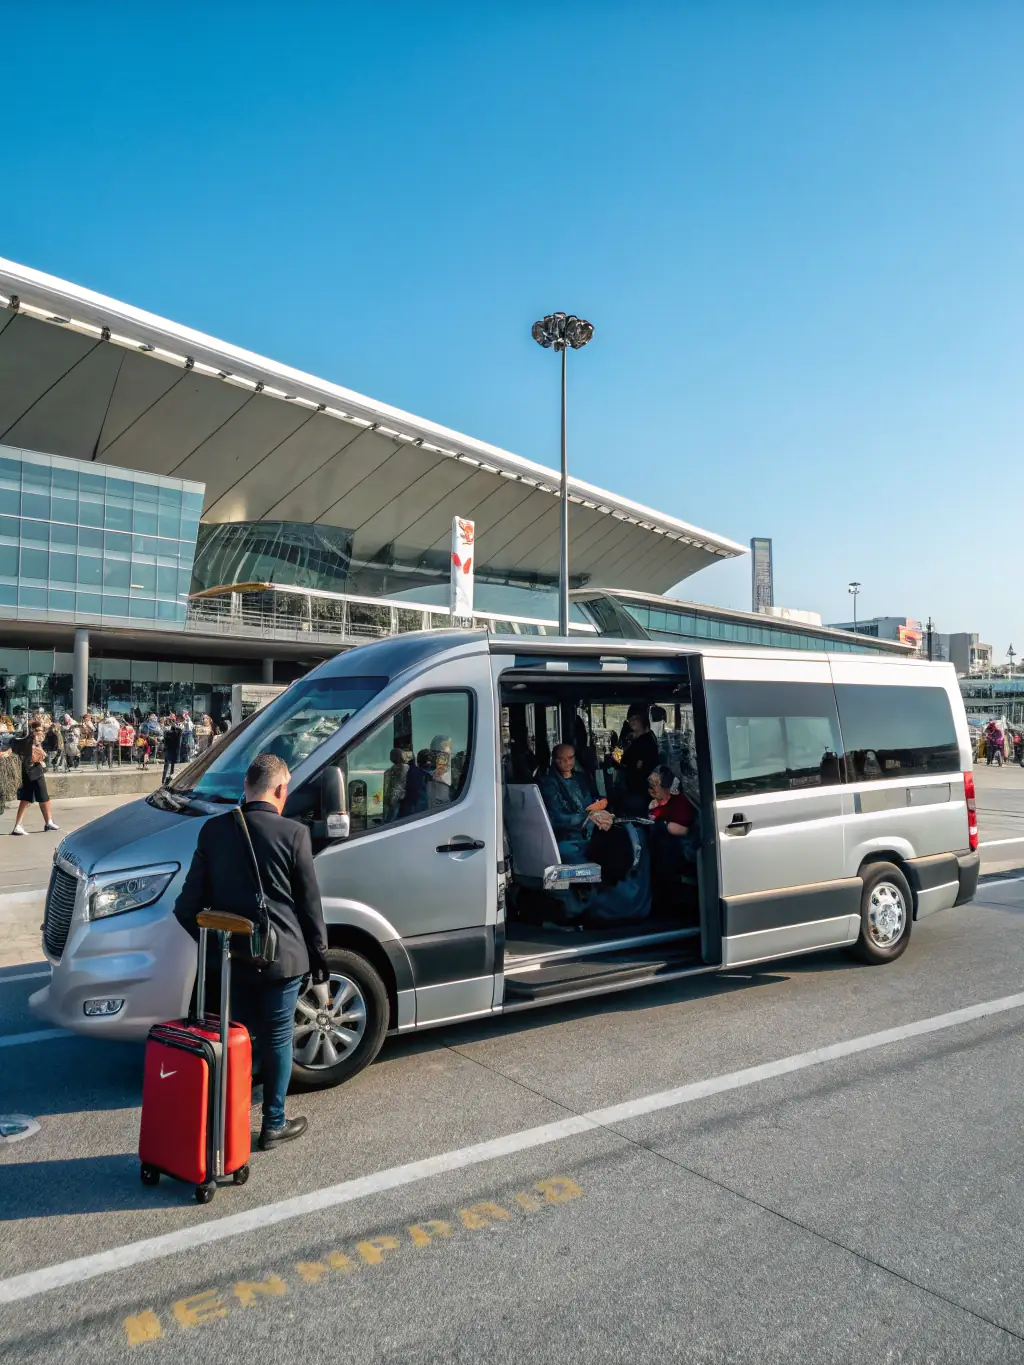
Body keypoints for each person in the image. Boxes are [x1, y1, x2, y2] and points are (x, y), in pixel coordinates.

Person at [173, 752, 329, 1149]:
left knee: (233, 1036)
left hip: (230, 961)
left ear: (245, 787)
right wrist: (318, 956)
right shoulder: (294, 834)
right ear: (280, 790)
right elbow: (310, 906)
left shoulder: (213, 831)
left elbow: (186, 907)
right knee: (278, 1037)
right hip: (282, 958)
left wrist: (218, 945)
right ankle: (272, 1123)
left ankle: (227, 1123)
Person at [538, 742, 613, 865]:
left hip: (590, 833)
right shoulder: (548, 783)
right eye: (562, 759)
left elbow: (594, 800)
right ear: (555, 760)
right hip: (566, 838)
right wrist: (588, 816)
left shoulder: (581, 778)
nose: (567, 762)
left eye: (570, 758)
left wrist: (600, 811)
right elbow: (557, 818)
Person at [607, 704, 660, 816]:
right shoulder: (637, 739)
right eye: (630, 719)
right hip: (634, 788)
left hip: (640, 791)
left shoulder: (645, 741)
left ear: (643, 719)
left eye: (635, 718)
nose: (632, 721)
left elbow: (617, 760)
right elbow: (616, 758)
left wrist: (622, 744)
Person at [10, 722, 60, 836]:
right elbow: (31, 755)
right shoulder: (27, 741)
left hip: (37, 770)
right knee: (26, 798)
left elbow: (51, 744)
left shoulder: (38, 740)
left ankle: (49, 822)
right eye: (37, 730)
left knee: (44, 797)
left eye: (41, 730)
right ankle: (17, 825)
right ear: (31, 730)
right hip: (29, 771)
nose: (40, 732)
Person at [382, 748, 408, 821]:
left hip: (391, 795)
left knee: (390, 816)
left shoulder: (390, 770)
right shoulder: (405, 767)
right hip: (400, 797)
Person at [162, 713, 182, 784]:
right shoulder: (170, 732)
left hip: (171, 751)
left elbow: (176, 732)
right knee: (169, 767)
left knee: (169, 768)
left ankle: (166, 781)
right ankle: (166, 781)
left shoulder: (175, 731)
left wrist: (173, 725)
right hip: (171, 751)